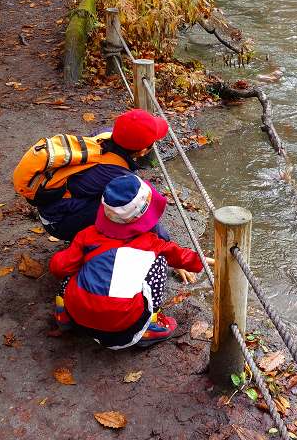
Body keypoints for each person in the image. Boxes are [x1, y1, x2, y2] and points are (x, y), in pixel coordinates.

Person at [48, 174, 213, 349]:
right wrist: (209, 261)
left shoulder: (87, 235)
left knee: (72, 268)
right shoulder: (152, 243)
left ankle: (63, 315)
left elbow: (59, 267)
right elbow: (182, 256)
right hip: (123, 324)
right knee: (160, 263)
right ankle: (149, 326)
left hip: (79, 315)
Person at [37, 109, 169, 242]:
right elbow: (140, 210)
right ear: (142, 151)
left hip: (50, 206)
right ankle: (91, 246)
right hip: (57, 223)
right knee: (125, 210)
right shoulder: (118, 175)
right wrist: (163, 240)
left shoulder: (105, 134)